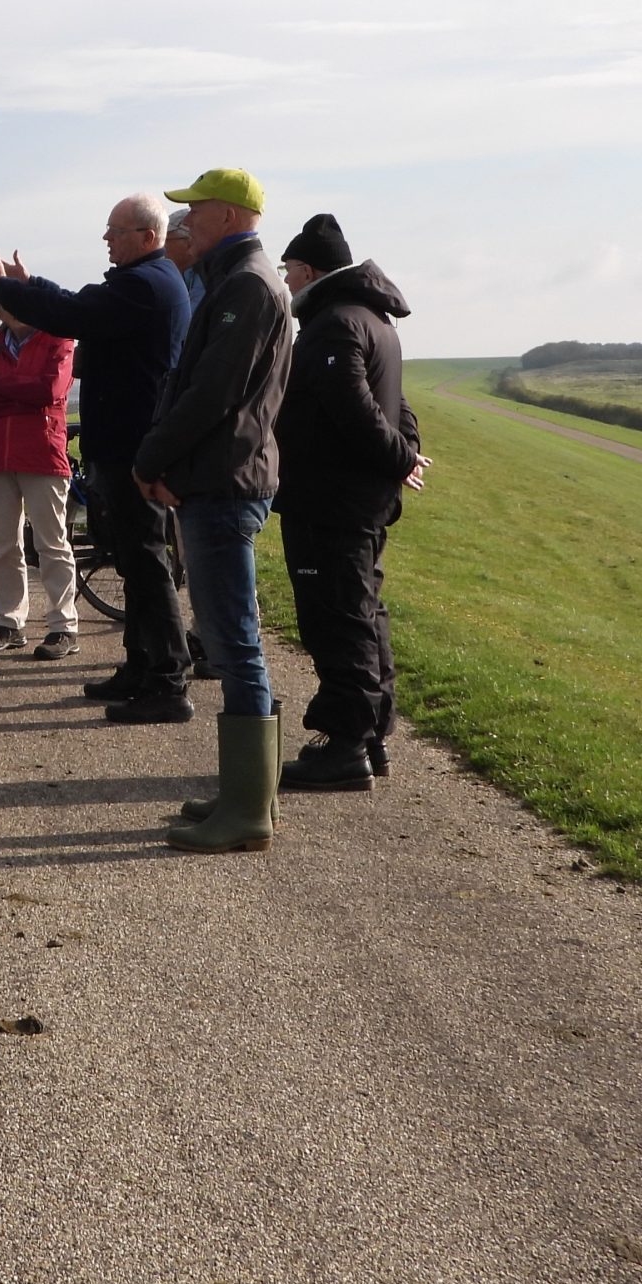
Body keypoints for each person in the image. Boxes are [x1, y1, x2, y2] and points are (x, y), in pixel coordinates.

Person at [0, 191, 192, 713]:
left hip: (136, 442)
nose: (106, 239)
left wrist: (3, 287)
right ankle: (141, 665)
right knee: (134, 562)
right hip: (125, 442)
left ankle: (166, 680)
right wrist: (28, 287)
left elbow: (71, 313)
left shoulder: (145, 284)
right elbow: (76, 307)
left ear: (148, 238)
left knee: (147, 564)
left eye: (115, 231)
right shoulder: (144, 283)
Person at [135, 168, 291, 854]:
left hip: (226, 486)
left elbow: (211, 393)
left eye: (195, 210)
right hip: (220, 478)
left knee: (234, 645)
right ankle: (242, 794)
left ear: (228, 214)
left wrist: (151, 458)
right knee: (231, 641)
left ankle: (250, 811)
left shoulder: (248, 285)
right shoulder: (238, 279)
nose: (186, 222)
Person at [267, 212, 422, 791]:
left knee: (336, 618)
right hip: (355, 497)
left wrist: (400, 457)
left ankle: (345, 745)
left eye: (288, 272)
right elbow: (397, 404)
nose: (285, 283)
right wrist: (405, 450)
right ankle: (371, 733)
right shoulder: (373, 319)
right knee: (362, 612)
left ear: (307, 270)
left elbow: (355, 408)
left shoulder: (333, 324)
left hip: (330, 499)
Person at [0, 298, 79, 658]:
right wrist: (19, 390)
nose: (11, 308)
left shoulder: (59, 340)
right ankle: (10, 622)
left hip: (42, 453)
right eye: (3, 302)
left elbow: (51, 391)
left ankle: (64, 626)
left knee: (51, 543)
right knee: (4, 546)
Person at [165, 208, 205, 309]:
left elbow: (189, 321)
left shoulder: (205, 277)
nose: (161, 247)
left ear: (189, 242)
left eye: (166, 241)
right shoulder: (182, 275)